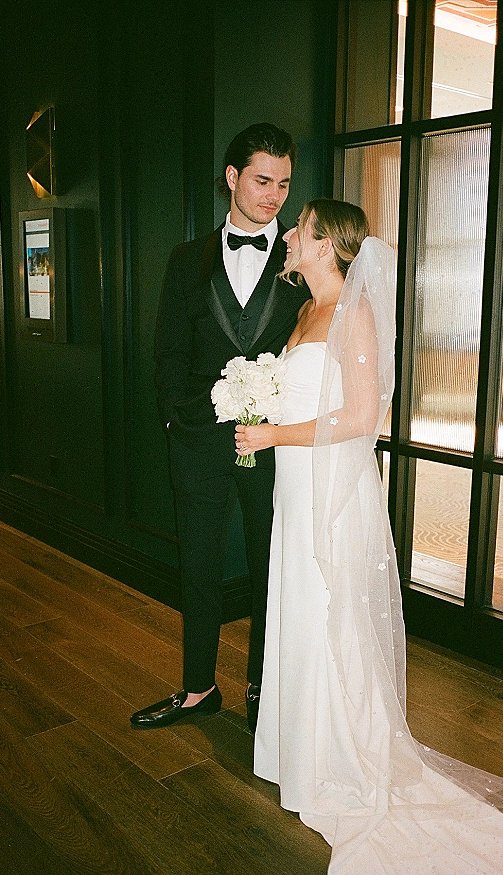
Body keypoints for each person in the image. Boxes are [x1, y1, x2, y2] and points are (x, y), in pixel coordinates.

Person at [235, 199, 503, 874]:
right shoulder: (301, 312)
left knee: (325, 614)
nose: (286, 235)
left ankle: (335, 758)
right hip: (295, 485)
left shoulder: (357, 312)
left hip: (330, 490)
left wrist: (270, 432)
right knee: (298, 607)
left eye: (299, 228)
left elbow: (359, 417)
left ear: (326, 245)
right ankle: (295, 753)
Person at [130, 123, 309, 733]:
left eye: (284, 183)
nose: (274, 196)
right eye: (262, 180)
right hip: (200, 445)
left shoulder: (297, 263)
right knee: (199, 565)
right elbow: (167, 354)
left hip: (277, 447)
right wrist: (186, 424)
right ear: (232, 178)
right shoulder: (188, 259)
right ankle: (198, 689)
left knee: (270, 566)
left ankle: (265, 690)